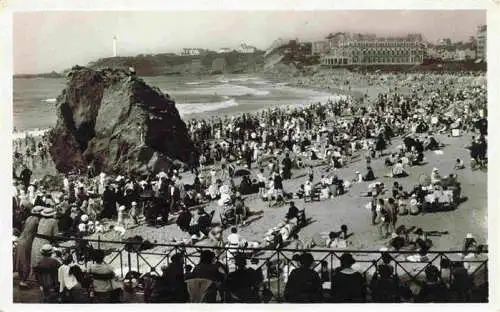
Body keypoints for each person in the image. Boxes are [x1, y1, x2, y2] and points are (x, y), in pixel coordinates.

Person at [14, 206, 43, 288]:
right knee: (26, 261)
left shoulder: (29, 218)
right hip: (27, 242)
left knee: (20, 261)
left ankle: (22, 280)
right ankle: (23, 281)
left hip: (21, 239)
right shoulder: (37, 220)